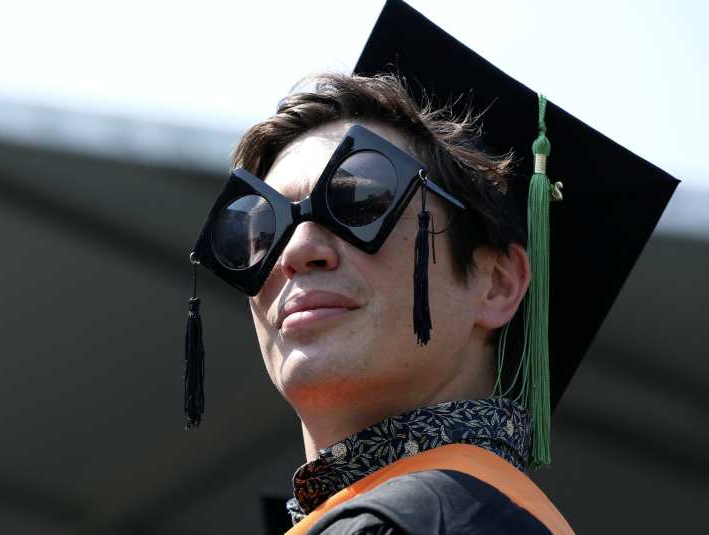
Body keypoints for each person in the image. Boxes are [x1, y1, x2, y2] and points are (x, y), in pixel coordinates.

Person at [182, 2, 678, 534]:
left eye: (361, 201)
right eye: (261, 230)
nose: (296, 251)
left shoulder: (433, 520)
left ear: (497, 283)